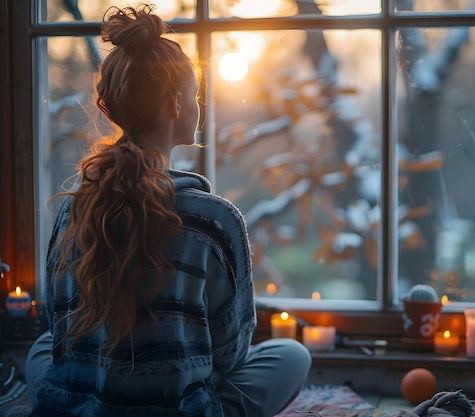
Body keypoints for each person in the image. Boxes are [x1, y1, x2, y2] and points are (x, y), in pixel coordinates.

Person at [25, 4, 311, 417]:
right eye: (195, 94)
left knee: (39, 350)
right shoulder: (214, 220)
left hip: (81, 403)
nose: (199, 105)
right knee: (292, 354)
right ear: (176, 103)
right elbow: (230, 356)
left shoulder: (75, 208)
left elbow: (59, 327)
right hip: (175, 407)